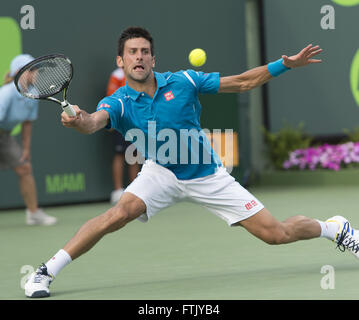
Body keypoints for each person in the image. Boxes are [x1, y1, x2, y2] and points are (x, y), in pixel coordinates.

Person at [24, 27, 359, 298]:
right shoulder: (119, 102)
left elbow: (242, 82)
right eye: (132, 52)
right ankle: (46, 272)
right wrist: (78, 120)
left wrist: (284, 64)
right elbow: (93, 122)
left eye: (144, 51)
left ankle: (335, 229)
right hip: (161, 172)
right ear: (121, 60)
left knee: (277, 234)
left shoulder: (184, 81)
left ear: (153, 58)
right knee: (117, 214)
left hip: (207, 175)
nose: (138, 57)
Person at [0, 54, 57, 226]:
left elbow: (27, 124)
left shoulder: (33, 94)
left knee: (25, 168)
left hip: (5, 136)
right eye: (32, 70)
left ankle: (33, 214)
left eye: (36, 69)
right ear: (19, 72)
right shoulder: (6, 93)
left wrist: (26, 150)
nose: (36, 73)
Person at [106, 67, 140, 204]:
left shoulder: (140, 75)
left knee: (134, 155)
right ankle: (118, 190)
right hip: (120, 121)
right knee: (120, 154)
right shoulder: (117, 75)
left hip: (136, 121)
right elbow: (111, 96)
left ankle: (136, 190)